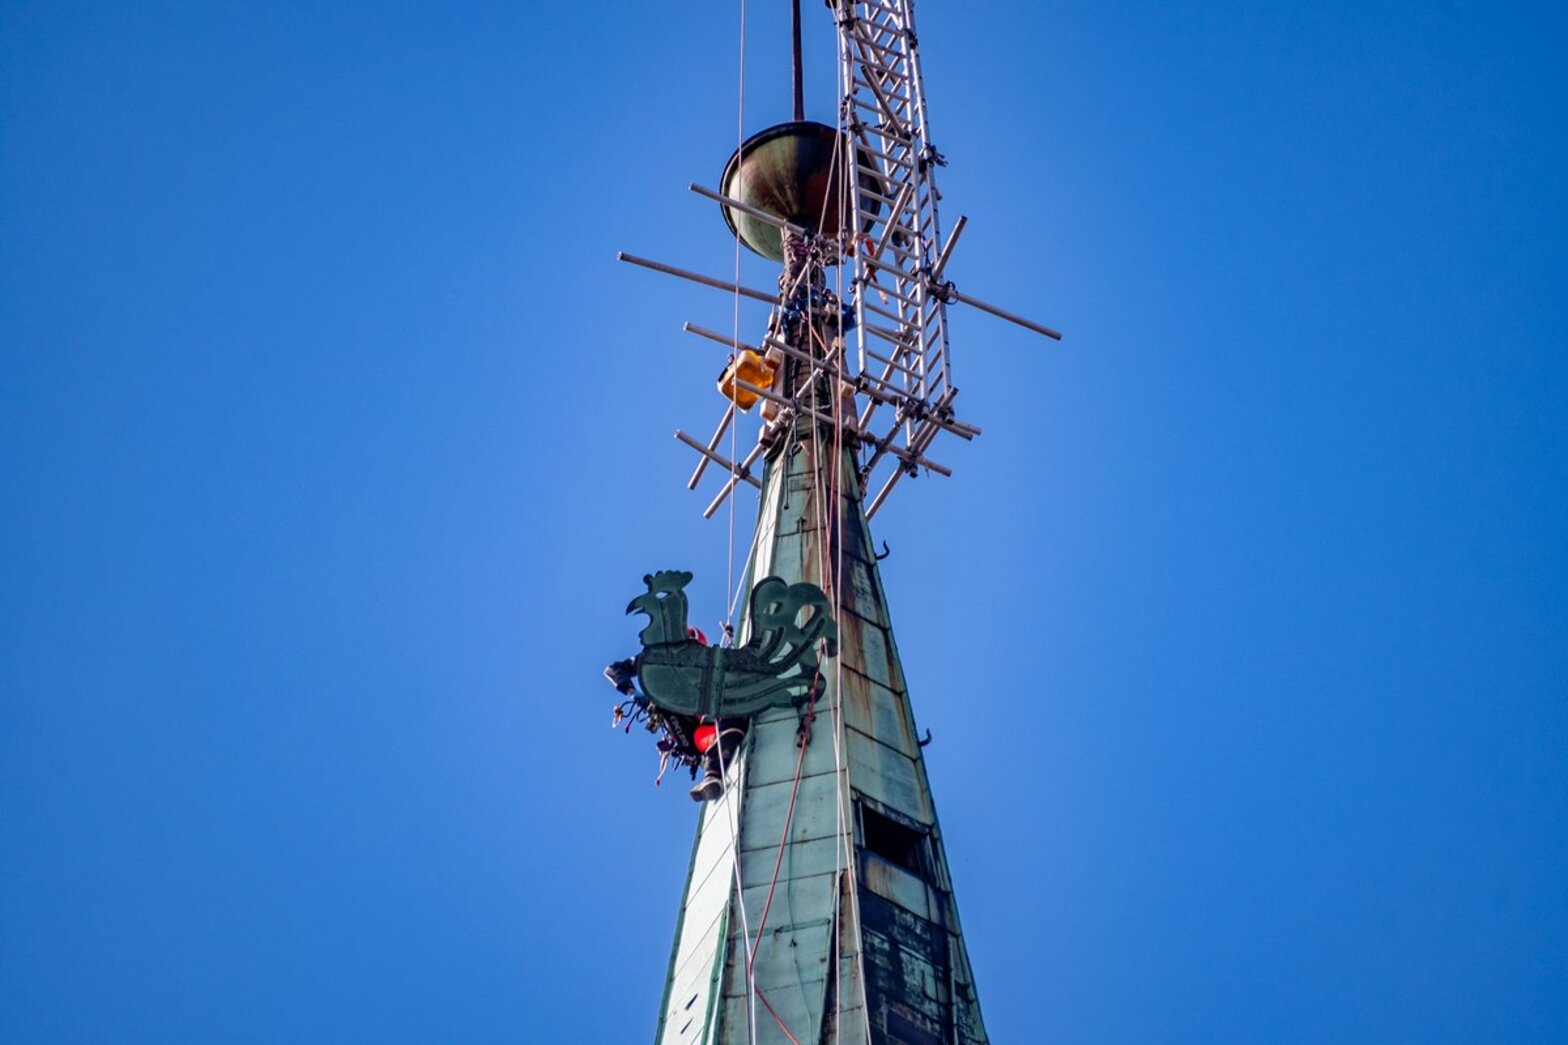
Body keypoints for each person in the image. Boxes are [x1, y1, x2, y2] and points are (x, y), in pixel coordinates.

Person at [605, 627, 749, 803]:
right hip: (683, 727)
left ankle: (712, 776)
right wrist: (633, 692)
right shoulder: (656, 659)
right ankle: (712, 775)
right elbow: (614, 670)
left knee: (736, 718)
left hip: (707, 729)